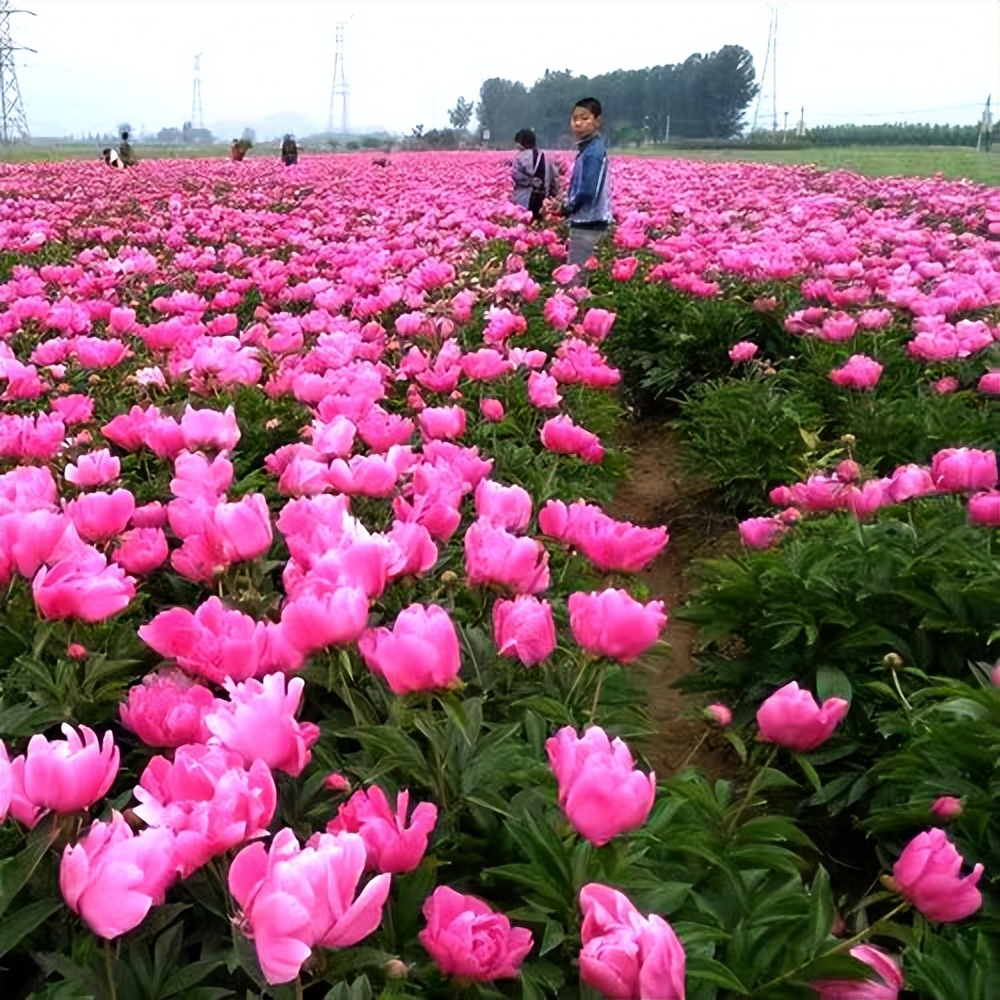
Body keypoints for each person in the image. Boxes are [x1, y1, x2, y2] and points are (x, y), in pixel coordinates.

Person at [556, 97, 612, 269]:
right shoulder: (588, 149)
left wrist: (567, 208)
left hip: (588, 223)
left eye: (585, 118)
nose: (578, 123)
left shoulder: (593, 153)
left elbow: (588, 191)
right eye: (575, 118)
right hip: (587, 221)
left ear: (597, 121)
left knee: (576, 277)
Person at [511, 128, 558, 222]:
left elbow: (515, 176)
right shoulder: (546, 157)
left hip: (524, 200)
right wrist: (552, 196)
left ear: (521, 142)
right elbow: (554, 179)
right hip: (543, 198)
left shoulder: (519, 157)